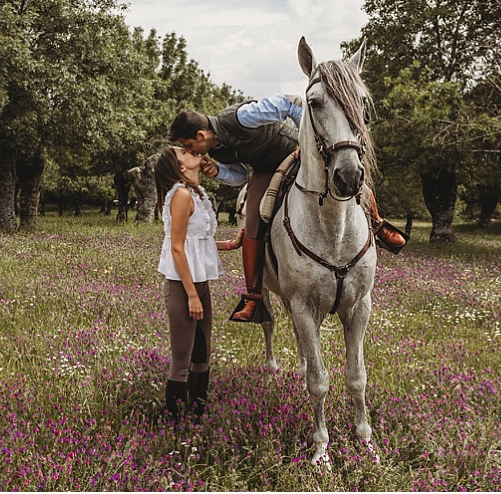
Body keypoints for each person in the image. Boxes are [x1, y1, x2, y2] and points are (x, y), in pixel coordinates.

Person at [170, 95, 405, 323]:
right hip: (265, 169)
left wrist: (307, 141)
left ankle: (377, 224)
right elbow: (240, 176)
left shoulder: (240, 117)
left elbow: (289, 103)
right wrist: (218, 172)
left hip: (297, 150)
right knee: (252, 221)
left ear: (200, 134)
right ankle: (253, 296)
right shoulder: (216, 150)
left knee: (349, 175)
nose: (193, 153)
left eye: (189, 146)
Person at [153, 147, 238, 423]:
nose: (191, 151)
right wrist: (192, 296)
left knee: (202, 354)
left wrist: (229, 245)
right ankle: (174, 425)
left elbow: (197, 241)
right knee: (182, 360)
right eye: (184, 152)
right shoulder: (180, 195)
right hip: (182, 287)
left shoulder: (197, 195)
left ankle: (198, 415)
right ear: (179, 168)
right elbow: (177, 248)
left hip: (199, 285)